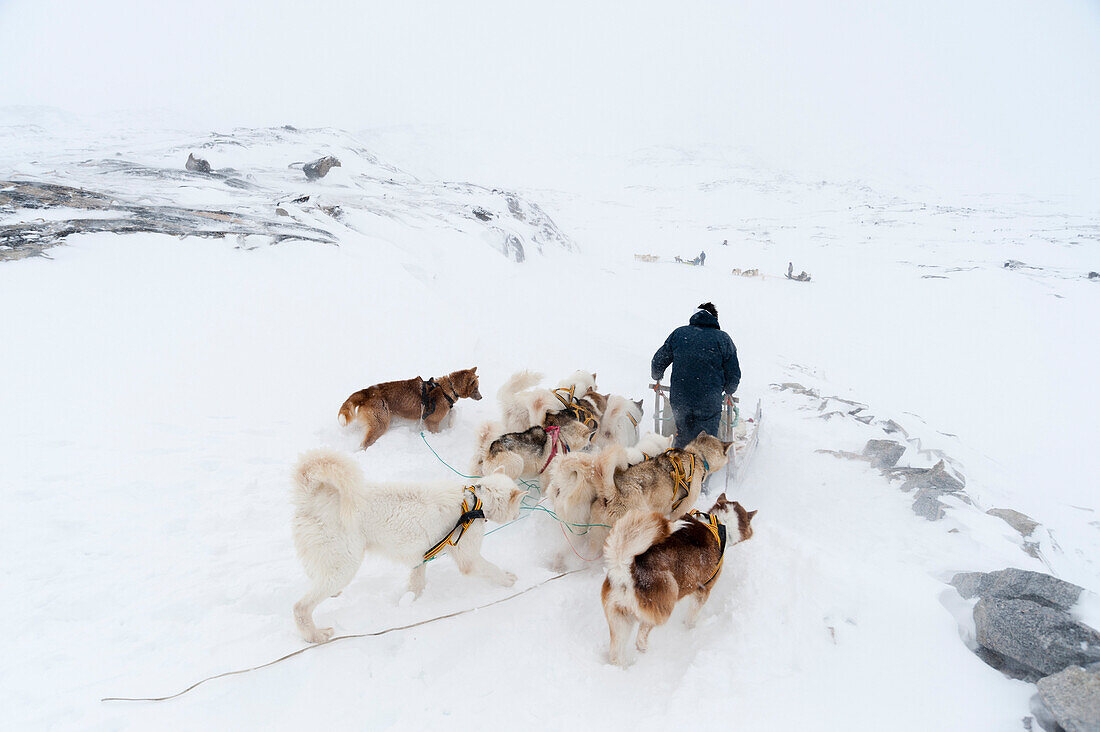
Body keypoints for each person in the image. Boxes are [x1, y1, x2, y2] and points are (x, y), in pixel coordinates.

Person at [651, 302, 740, 449]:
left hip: (680, 398)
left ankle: (680, 466)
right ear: (715, 318)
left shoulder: (679, 334)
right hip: (709, 401)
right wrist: (729, 390)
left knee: (684, 435)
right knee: (706, 442)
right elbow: (734, 374)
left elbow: (658, 362)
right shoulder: (723, 339)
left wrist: (657, 375)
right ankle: (702, 467)